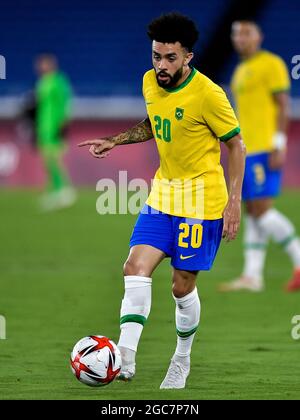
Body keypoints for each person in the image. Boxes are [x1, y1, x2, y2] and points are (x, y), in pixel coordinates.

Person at [79, 13, 246, 389]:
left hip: (202, 202)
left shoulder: (208, 94)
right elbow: (156, 123)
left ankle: (181, 360)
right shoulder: (149, 82)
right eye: (156, 56)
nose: (161, 65)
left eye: (170, 58)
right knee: (134, 267)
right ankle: (125, 356)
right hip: (163, 195)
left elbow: (236, 144)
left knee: (181, 286)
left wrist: (233, 201)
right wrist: (115, 140)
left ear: (188, 56)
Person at [219, 21, 300, 292]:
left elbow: (283, 105)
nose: (240, 38)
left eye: (246, 33)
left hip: (265, 148)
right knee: (252, 212)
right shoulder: (240, 71)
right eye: (236, 34)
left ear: (258, 36)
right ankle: (252, 276)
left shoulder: (272, 64)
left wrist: (279, 143)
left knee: (262, 210)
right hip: (247, 149)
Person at [35, 54, 76, 211]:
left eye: (44, 63)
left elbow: (65, 102)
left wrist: (62, 124)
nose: (41, 66)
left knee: (55, 159)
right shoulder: (42, 82)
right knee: (48, 160)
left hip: (54, 126)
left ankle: (65, 190)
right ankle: (55, 189)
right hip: (44, 127)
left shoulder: (59, 81)